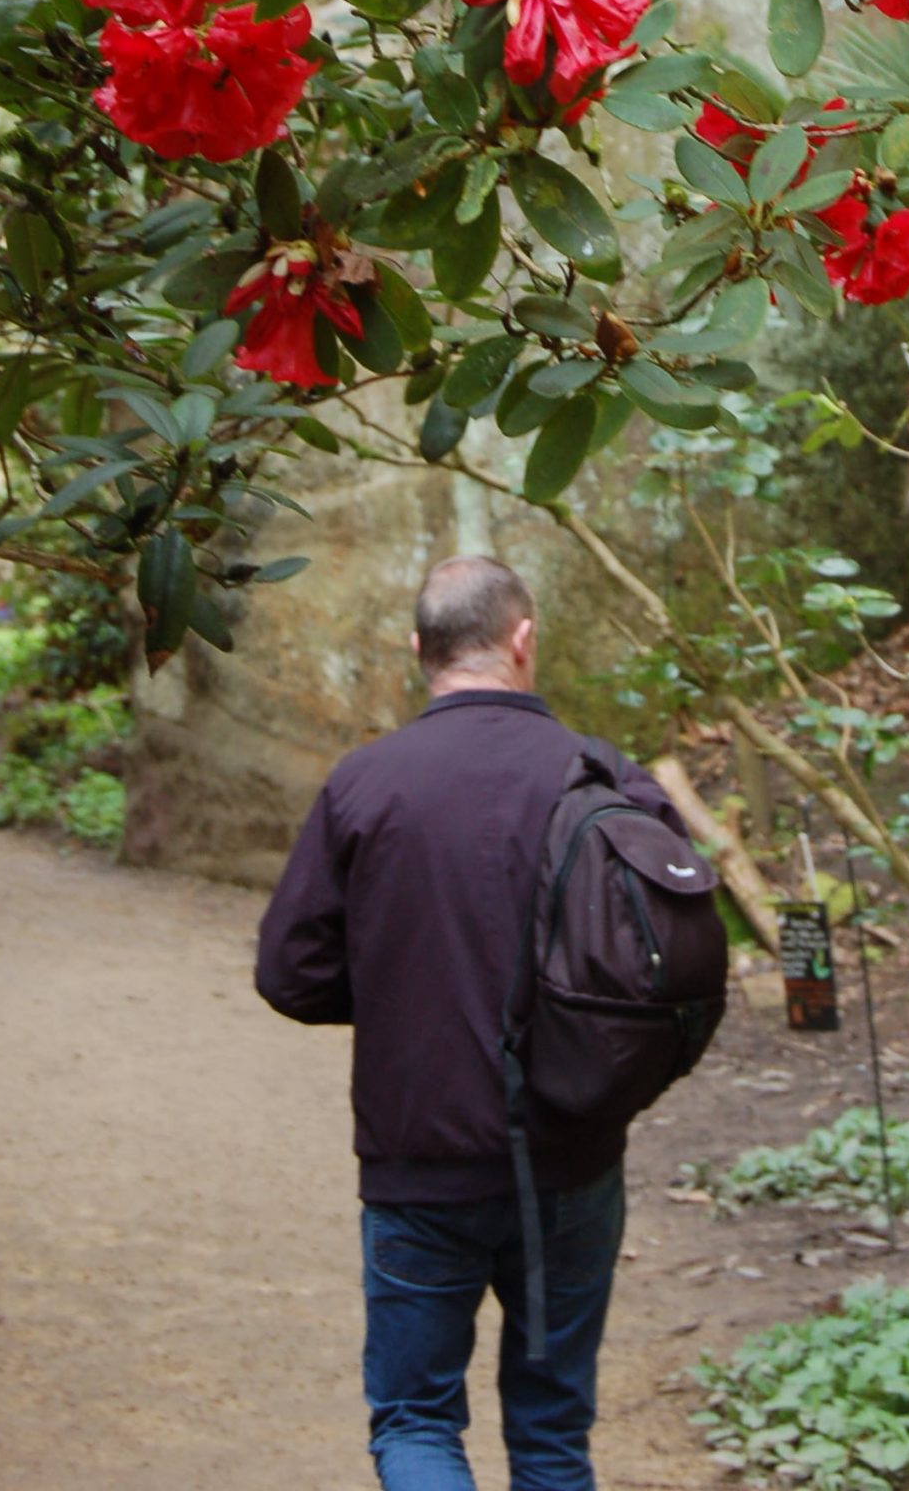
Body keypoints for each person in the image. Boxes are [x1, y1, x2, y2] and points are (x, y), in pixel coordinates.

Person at [255, 553, 690, 1491]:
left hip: (419, 1158)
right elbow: (672, 958)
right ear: (524, 640)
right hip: (571, 1154)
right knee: (551, 1436)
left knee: (415, 1422)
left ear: (421, 650)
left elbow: (289, 974)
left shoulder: (365, 784)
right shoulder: (605, 777)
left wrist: (394, 983)